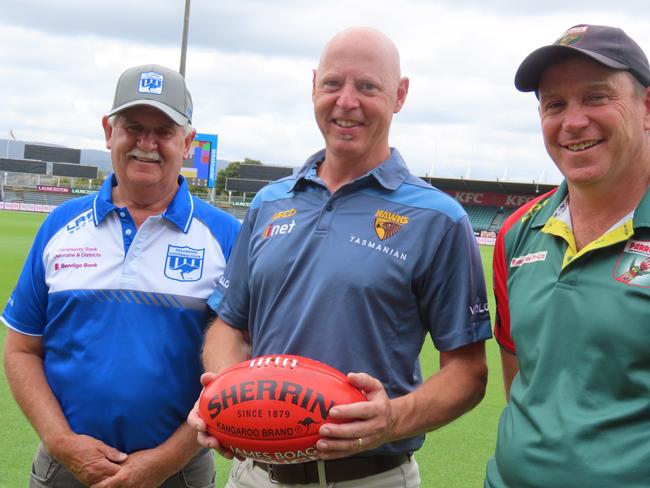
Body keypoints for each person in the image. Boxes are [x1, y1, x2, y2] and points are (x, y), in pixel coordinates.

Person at [188, 27, 492, 487]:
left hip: (370, 478)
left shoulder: (439, 218)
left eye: (368, 86)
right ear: (314, 86)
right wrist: (231, 397)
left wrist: (391, 417)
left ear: (400, 95)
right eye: (333, 84)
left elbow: (468, 372)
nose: (346, 101)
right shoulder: (269, 202)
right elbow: (230, 324)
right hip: (253, 476)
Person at [2, 64, 241, 487]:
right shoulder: (59, 225)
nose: (146, 144)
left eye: (164, 131)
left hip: (179, 474)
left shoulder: (225, 237)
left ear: (187, 143)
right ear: (108, 132)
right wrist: (60, 441)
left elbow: (235, 371)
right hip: (64, 468)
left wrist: (165, 460)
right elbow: (21, 349)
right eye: (133, 127)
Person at [485, 24, 650, 487]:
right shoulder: (517, 234)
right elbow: (523, 384)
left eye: (597, 97)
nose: (572, 122)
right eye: (554, 104)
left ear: (647, 108)